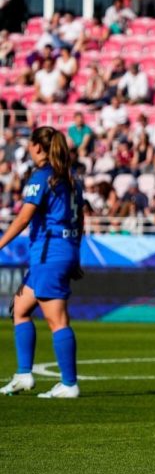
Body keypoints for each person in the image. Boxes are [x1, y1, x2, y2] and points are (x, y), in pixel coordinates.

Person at [0, 127, 84, 398]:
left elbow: (24, 218)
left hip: (51, 253)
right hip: (60, 251)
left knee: (57, 319)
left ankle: (69, 384)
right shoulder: (71, 179)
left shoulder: (42, 177)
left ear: (38, 147)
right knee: (20, 309)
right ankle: (24, 375)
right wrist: (75, 254)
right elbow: (79, 220)